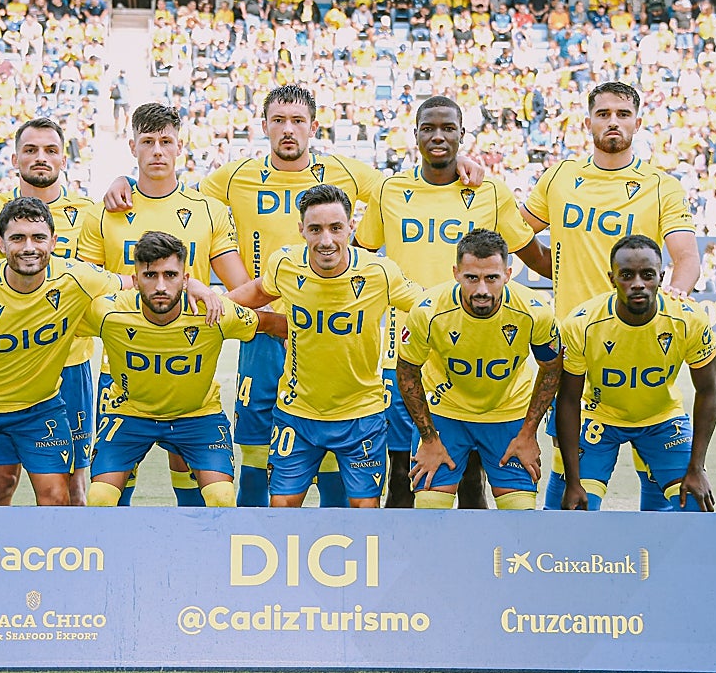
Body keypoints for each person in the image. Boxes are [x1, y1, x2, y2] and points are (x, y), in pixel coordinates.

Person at [101, 85, 484, 508]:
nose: (288, 130)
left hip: (328, 333)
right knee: (254, 450)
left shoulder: (346, 171)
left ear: (313, 127)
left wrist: (457, 164)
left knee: (332, 454)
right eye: (279, 120)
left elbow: (409, 186)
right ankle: (251, 534)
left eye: (298, 121)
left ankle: (332, 535)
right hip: (262, 330)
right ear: (264, 126)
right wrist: (125, 179)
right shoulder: (234, 176)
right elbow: (171, 190)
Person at [354, 96, 549, 508]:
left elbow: (533, 255)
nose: (438, 136)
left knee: (471, 481)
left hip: (471, 346)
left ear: (463, 134)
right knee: (404, 476)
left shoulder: (489, 191)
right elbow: (359, 257)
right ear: (415, 135)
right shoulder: (390, 190)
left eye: (448, 128)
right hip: (405, 349)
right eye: (429, 128)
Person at [520, 81, 699, 512]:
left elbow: (686, 256)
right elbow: (515, 231)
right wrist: (551, 267)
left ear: (638, 122)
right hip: (575, 349)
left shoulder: (661, 186)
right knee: (573, 488)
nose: (612, 122)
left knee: (663, 482)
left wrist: (677, 293)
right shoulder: (560, 178)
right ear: (588, 122)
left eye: (622, 114)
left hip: (640, 346)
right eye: (603, 114)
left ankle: (655, 548)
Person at [83, 103, 249, 505]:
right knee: (111, 488)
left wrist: (214, 303)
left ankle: (193, 541)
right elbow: (83, 287)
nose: (157, 150)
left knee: (195, 479)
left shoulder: (208, 211)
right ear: (132, 147)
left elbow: (241, 287)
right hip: (123, 369)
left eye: (166, 141)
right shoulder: (104, 213)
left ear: (180, 146)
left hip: (189, 361)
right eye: (147, 142)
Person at [227, 184, 424, 508]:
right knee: (282, 506)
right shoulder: (285, 264)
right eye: (315, 229)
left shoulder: (379, 272)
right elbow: (259, 292)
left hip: (361, 414)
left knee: (364, 511)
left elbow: (425, 306)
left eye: (335, 228)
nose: (326, 240)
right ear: (301, 230)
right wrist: (216, 304)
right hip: (297, 413)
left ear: (350, 227)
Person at [0, 197, 121, 506]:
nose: (29, 247)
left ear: (54, 241)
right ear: (1, 244)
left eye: (38, 237)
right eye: (18, 238)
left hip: (39, 409)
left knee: (58, 497)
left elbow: (137, 284)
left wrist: (194, 288)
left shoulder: (77, 278)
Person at [83, 231, 286, 507]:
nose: (161, 286)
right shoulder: (106, 312)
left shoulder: (213, 312)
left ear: (186, 279)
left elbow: (271, 324)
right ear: (135, 279)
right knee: (99, 498)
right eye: (150, 275)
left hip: (198, 416)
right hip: (130, 414)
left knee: (222, 498)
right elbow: (61, 318)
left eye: (170, 275)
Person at [0, 118, 105, 507]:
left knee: (72, 487)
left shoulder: (89, 212)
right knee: (1, 482)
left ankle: (70, 549)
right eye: (30, 150)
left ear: (64, 159)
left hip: (70, 363)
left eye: (50, 150)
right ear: (15, 158)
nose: (40, 158)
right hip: (7, 365)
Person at [397, 229, 562, 510]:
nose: (482, 290)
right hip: (446, 413)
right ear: (456, 273)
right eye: (472, 278)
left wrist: (527, 433)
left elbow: (552, 367)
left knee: (520, 513)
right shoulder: (427, 311)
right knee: (429, 507)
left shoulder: (535, 311)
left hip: (508, 414)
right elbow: (407, 371)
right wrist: (429, 439)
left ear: (508, 274)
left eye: (492, 278)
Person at [556, 235, 716, 512]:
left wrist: (697, 467)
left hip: (663, 418)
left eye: (647, 275)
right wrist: (573, 481)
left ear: (661, 277)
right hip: (600, 417)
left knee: (694, 504)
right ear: (612, 279)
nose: (638, 284)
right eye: (627, 275)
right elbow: (569, 399)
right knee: (573, 511)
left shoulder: (689, 318)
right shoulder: (582, 323)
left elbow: (709, 390)